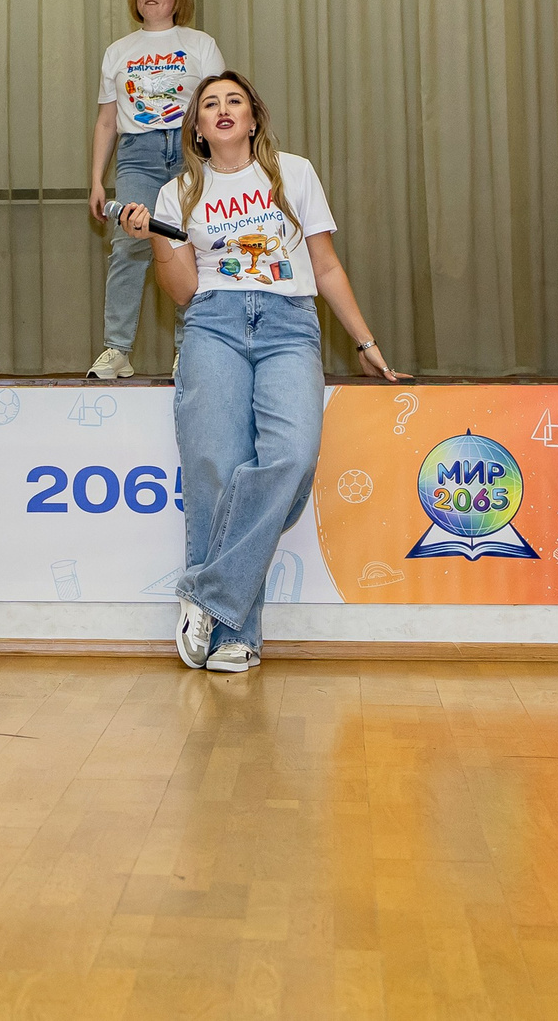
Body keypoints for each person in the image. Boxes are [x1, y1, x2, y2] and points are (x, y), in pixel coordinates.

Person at [119, 72, 404, 673]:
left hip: (288, 324)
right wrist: (155, 242)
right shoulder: (177, 195)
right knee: (215, 473)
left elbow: (324, 266)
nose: (222, 111)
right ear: (195, 127)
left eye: (234, 102)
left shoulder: (292, 174)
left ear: (252, 119)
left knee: (292, 457)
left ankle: (206, 593)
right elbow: (183, 292)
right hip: (212, 323)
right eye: (209, 105)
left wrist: (364, 339)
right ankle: (233, 637)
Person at [90, 0, 226, 380]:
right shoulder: (119, 50)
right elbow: (107, 121)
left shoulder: (200, 44)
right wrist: (96, 179)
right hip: (138, 154)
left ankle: (189, 350)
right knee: (129, 245)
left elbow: (219, 106)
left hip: (190, 151)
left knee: (191, 244)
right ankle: (117, 349)